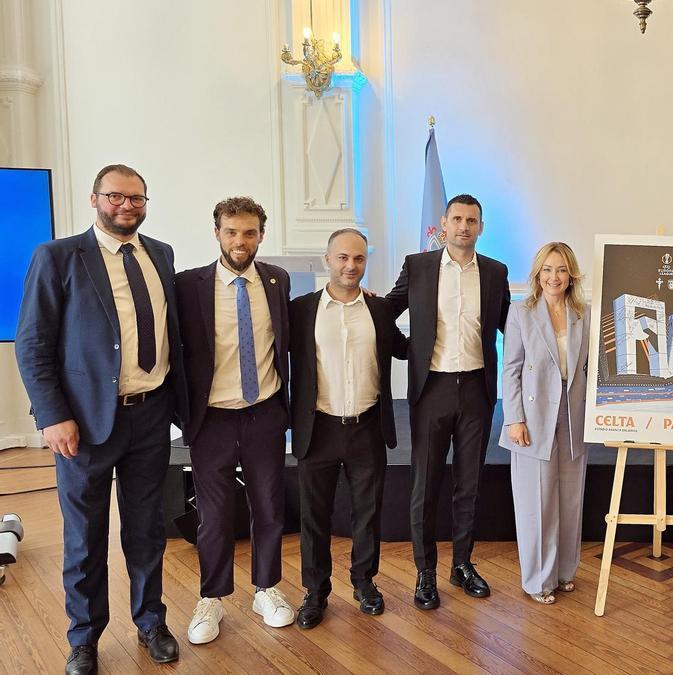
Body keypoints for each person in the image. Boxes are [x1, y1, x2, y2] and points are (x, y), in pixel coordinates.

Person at [15, 164, 187, 674]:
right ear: (94, 199)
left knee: (146, 529)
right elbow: (32, 344)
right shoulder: (58, 256)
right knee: (85, 536)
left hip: (151, 416)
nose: (126, 206)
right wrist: (53, 415)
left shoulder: (161, 253)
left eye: (136, 198)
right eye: (115, 196)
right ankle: (84, 637)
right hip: (83, 424)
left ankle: (151, 621)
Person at [175, 197, 294, 644]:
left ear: (261, 235)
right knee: (213, 514)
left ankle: (267, 587)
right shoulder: (188, 285)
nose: (240, 241)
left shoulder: (277, 280)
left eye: (249, 233)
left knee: (269, 507)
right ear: (217, 234)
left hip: (264, 414)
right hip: (213, 420)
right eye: (231, 232)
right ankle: (212, 597)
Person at [386, 194, 511, 610]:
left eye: (471, 220)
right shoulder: (418, 267)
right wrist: (409, 350)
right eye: (456, 219)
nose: (463, 227)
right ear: (443, 224)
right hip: (431, 390)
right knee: (425, 485)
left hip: (477, 390)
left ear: (480, 227)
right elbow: (385, 314)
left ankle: (462, 565)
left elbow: (512, 328)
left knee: (469, 485)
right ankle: (425, 574)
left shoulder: (495, 272)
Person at [290, 229, 408, 628]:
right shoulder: (301, 310)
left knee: (367, 513)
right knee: (314, 516)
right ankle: (315, 592)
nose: (350, 266)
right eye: (342, 258)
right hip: (317, 428)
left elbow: (407, 349)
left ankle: (364, 582)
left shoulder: (378, 311)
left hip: (367, 427)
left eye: (358, 259)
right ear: (327, 259)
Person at [499, 242, 590, 604]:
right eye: (548, 269)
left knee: (570, 499)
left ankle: (565, 571)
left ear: (571, 276)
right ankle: (538, 580)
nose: (555, 277)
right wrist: (514, 419)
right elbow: (511, 369)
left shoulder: (583, 313)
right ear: (538, 274)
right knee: (537, 501)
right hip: (533, 418)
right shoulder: (522, 312)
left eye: (562, 270)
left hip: (573, 413)